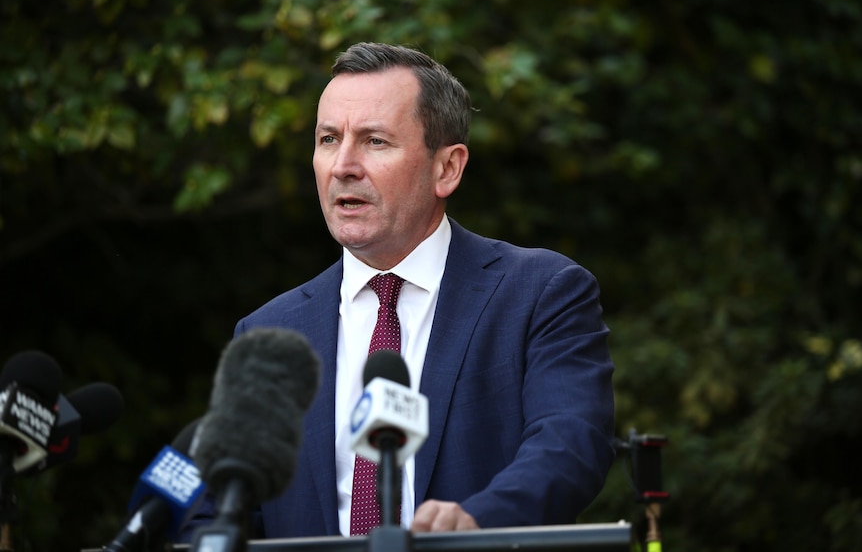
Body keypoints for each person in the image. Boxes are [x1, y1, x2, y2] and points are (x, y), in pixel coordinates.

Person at [191, 41, 615, 539]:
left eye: (374, 141)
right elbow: (218, 508)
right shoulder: (270, 333)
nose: (343, 166)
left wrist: (479, 521)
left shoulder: (539, 293)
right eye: (328, 139)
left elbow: (571, 444)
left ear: (447, 168)